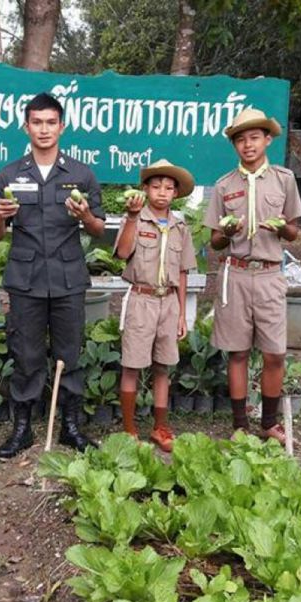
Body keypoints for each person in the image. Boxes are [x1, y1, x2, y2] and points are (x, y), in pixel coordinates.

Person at [0, 92, 106, 460]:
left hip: (69, 277)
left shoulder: (81, 174)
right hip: (26, 279)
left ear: (62, 127)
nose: (43, 129)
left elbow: (99, 229)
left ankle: (70, 426)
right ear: (26, 126)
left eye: (50, 122)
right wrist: (1, 216)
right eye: (36, 122)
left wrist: (85, 216)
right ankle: (22, 428)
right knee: (26, 354)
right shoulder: (10, 173)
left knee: (70, 353)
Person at [203, 108, 301, 444]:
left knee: (275, 352)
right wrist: (227, 231)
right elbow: (215, 241)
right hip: (236, 274)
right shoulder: (223, 185)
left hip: (271, 274)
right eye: (241, 139)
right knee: (238, 352)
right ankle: (240, 425)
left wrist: (281, 227)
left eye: (254, 137)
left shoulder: (284, 179)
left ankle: (269, 422)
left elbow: (294, 231)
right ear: (235, 145)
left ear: (268, 139)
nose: (248, 145)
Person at [113, 159, 197, 452]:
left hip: (169, 302)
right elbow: (123, 253)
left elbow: (184, 271)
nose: (162, 192)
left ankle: (160, 428)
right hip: (141, 299)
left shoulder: (180, 226)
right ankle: (129, 429)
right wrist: (133, 218)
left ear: (175, 194)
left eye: (169, 188)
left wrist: (182, 315)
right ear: (146, 189)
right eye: (156, 186)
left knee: (164, 367)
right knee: (132, 365)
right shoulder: (135, 219)